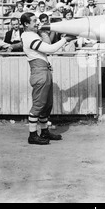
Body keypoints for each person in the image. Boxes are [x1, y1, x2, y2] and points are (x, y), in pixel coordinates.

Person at [20, 12, 68, 145]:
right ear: (26, 24)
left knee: (47, 105)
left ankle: (44, 131)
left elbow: (47, 43)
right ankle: (32, 135)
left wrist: (41, 31)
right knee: (38, 105)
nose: (37, 22)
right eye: (34, 21)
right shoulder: (29, 36)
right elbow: (51, 48)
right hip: (39, 73)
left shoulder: (32, 34)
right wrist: (65, 39)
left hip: (43, 70)